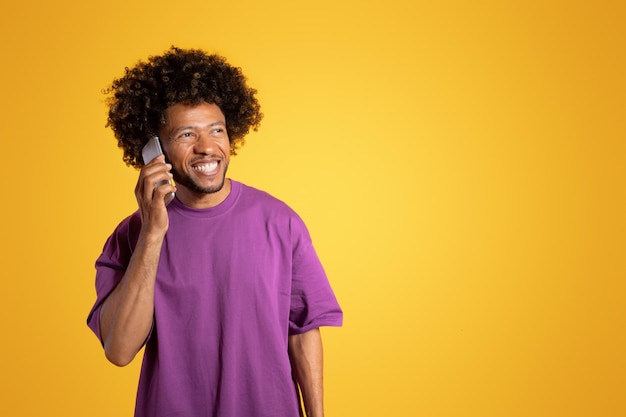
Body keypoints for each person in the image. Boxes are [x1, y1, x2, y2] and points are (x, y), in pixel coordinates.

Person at [87, 46, 343, 417]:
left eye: (217, 130)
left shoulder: (280, 222)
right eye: (187, 134)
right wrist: (153, 234)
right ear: (153, 149)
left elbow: (303, 330)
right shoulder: (132, 235)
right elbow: (120, 350)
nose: (207, 147)